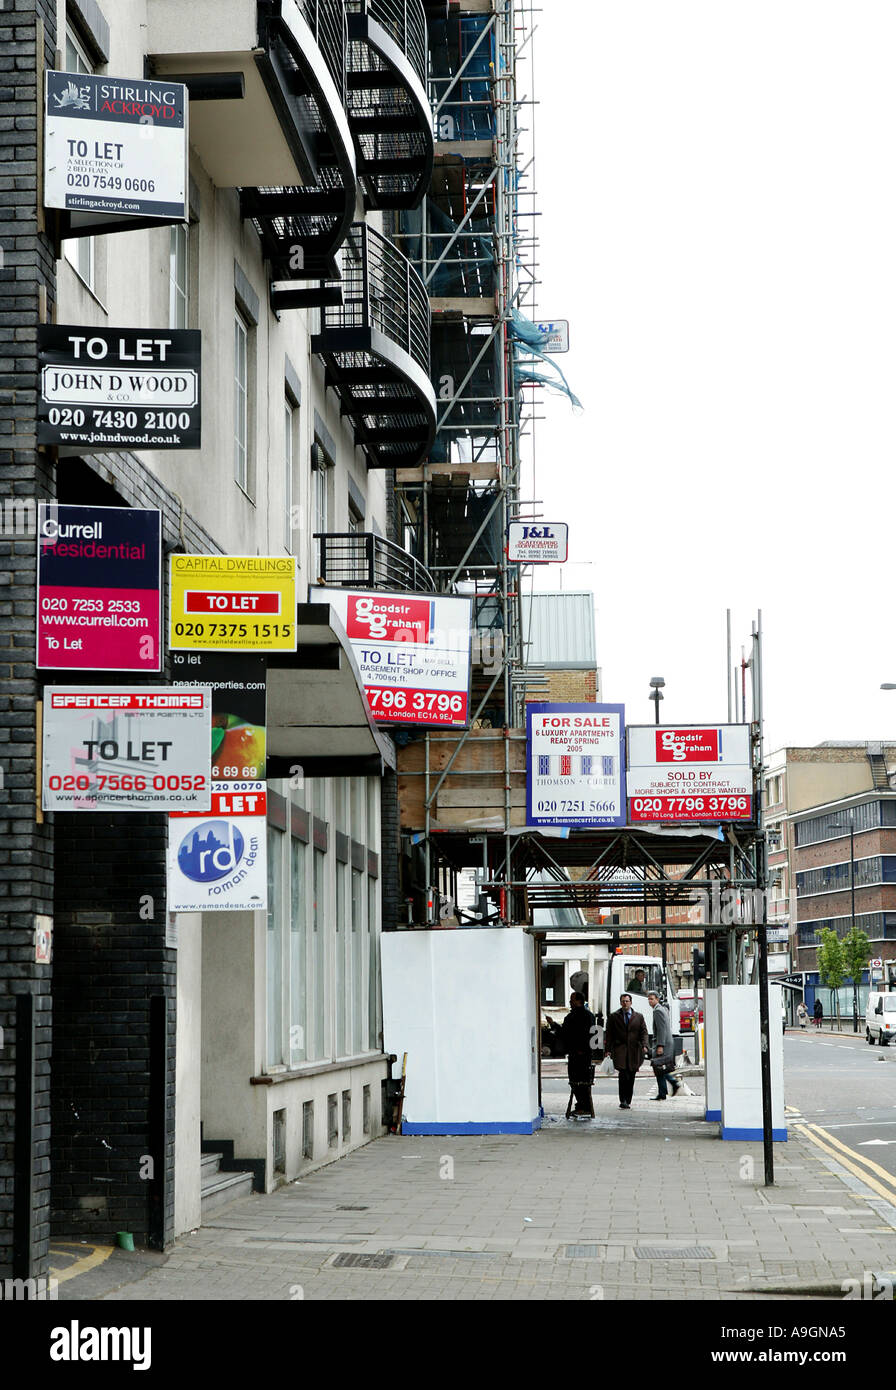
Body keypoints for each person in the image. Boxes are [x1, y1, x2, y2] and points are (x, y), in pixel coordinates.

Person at [605, 992, 648, 1109]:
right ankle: (622, 1099)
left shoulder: (639, 1016)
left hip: (634, 1051)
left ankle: (628, 1099)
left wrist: (645, 1045)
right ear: (620, 1003)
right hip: (620, 1050)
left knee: (631, 1075)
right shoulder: (614, 1016)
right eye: (623, 1001)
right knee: (623, 1075)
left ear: (631, 1002)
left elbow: (644, 1032)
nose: (625, 1003)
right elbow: (609, 1034)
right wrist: (607, 1050)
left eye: (627, 1001)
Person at [559, 991, 596, 1115]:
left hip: (577, 1054)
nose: (570, 1002)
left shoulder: (574, 1016)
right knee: (581, 1081)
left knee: (576, 1080)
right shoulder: (589, 1015)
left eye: (572, 1000)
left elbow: (567, 1033)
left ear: (578, 1001)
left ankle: (583, 1105)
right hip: (584, 1053)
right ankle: (583, 1105)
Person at [646, 990, 680, 1100]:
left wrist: (660, 1045)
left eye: (652, 999)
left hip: (662, 1043)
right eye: (649, 999)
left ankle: (672, 1084)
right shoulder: (661, 1009)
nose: (650, 1001)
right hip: (666, 1042)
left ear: (657, 999)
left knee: (658, 1067)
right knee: (660, 1068)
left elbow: (661, 1029)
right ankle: (664, 1091)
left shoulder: (658, 1011)